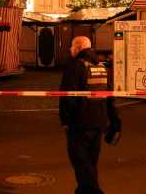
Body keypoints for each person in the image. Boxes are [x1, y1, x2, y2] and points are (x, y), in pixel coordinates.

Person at [59, 36, 121, 194]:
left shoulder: (75, 66)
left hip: (80, 124)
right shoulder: (100, 66)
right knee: (90, 163)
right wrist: (114, 121)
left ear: (79, 48)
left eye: (72, 46)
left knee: (81, 163)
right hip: (98, 123)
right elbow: (109, 96)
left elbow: (67, 96)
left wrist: (66, 121)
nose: (70, 50)